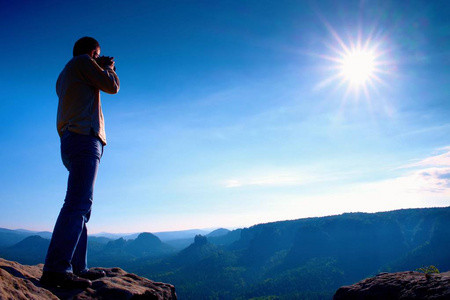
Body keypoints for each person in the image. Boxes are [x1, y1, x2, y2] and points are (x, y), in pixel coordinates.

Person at [41, 37, 120, 289]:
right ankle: (57, 269)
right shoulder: (83, 62)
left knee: (82, 205)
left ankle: (77, 267)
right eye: (98, 54)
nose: (99, 58)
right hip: (84, 138)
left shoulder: (64, 75)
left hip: (71, 139)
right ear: (91, 52)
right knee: (77, 204)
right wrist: (108, 68)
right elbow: (111, 86)